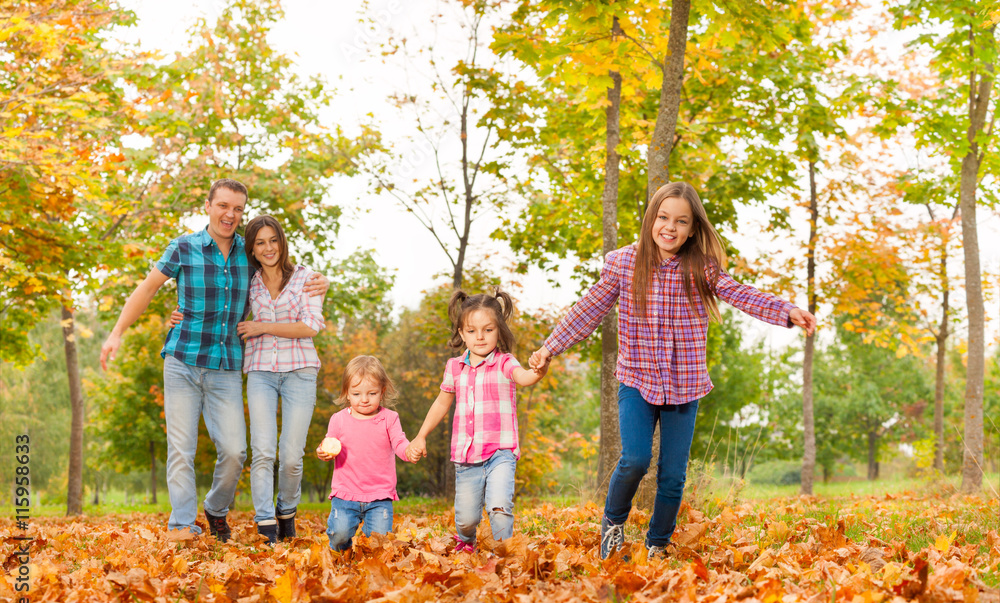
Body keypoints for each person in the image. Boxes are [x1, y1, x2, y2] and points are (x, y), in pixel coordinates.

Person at [530, 182, 817, 560]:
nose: (670, 227)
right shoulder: (624, 262)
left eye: (681, 221)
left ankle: (657, 544)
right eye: (663, 217)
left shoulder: (702, 268)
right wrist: (550, 347)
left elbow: (740, 293)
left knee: (672, 476)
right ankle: (612, 526)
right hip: (637, 378)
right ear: (651, 218)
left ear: (693, 228)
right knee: (634, 459)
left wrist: (786, 311)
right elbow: (589, 309)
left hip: (685, 384)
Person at [100, 178, 327, 541]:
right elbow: (147, 288)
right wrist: (116, 333)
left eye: (237, 209)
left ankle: (216, 508)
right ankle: (182, 526)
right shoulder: (183, 247)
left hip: (225, 367)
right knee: (181, 449)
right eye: (223, 205)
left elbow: (280, 272)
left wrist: (321, 281)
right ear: (208, 205)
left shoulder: (248, 252)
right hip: (182, 359)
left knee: (236, 451)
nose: (230, 214)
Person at [407, 289, 547, 553]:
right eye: (471, 331)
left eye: (488, 330)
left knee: (499, 506)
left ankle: (506, 552)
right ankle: (466, 540)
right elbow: (441, 403)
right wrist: (421, 435)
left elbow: (524, 377)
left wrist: (539, 370)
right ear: (461, 333)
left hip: (500, 453)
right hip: (466, 456)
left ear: (498, 331)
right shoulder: (454, 367)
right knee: (467, 518)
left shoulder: (505, 362)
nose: (480, 337)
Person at [239, 215, 324, 544]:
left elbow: (310, 326)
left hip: (300, 372)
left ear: (282, 241)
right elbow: (220, 307)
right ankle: (265, 526)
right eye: (260, 242)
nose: (268, 247)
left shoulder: (307, 279)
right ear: (252, 249)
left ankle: (286, 511)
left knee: (291, 456)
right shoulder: (248, 281)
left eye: (273, 240)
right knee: (262, 451)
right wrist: (182, 313)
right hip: (260, 371)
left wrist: (261, 327)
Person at [317, 355, 417, 551]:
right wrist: (322, 451)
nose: (364, 400)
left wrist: (409, 451)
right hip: (345, 493)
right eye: (356, 394)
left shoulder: (389, 418)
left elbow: (399, 442)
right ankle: (341, 556)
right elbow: (328, 444)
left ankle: (371, 568)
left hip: (379, 495)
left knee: (379, 543)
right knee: (339, 535)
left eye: (371, 393)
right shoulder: (338, 420)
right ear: (347, 393)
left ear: (382, 392)